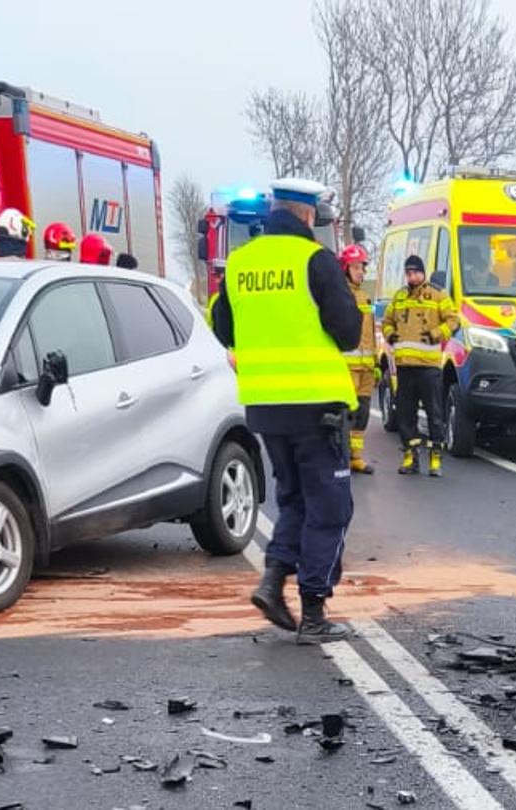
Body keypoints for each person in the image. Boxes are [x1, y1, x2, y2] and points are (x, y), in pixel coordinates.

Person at [210, 178, 362, 645]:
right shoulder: (314, 260)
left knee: (293, 499)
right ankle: (314, 613)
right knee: (330, 510)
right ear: (309, 215)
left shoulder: (239, 263)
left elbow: (222, 325)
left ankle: (273, 582)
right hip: (317, 406)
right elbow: (348, 332)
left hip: (265, 407)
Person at [384, 255, 459, 476]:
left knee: (434, 414)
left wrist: (436, 334)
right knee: (405, 415)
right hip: (405, 367)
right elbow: (387, 321)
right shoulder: (399, 297)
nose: (412, 276)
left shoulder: (437, 295)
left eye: (416, 272)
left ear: (423, 273)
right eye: (408, 273)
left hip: (428, 367)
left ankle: (435, 459)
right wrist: (390, 335)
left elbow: (453, 320)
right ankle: (410, 457)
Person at [338, 243, 378, 474]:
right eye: (356, 267)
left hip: (366, 368)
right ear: (345, 268)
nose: (361, 272)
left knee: (362, 413)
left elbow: (371, 332)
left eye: (362, 267)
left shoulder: (365, 296)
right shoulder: (341, 296)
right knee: (346, 414)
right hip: (347, 367)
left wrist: (375, 364)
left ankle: (356, 456)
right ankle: (342, 456)